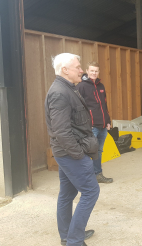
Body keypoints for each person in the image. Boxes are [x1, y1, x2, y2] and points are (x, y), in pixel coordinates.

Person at [45, 53, 100, 246]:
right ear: (65, 70)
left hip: (66, 153)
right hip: (70, 154)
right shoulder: (60, 92)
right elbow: (61, 131)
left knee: (67, 195)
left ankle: (67, 235)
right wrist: (79, 155)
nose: (81, 70)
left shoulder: (68, 88)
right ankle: (74, 241)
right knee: (91, 191)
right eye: (77, 67)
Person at [76, 62, 113, 183]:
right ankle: (85, 178)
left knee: (98, 151)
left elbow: (104, 105)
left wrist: (108, 121)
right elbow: (77, 107)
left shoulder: (101, 86)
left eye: (96, 71)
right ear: (87, 71)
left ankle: (97, 174)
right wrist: (85, 123)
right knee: (88, 151)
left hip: (102, 125)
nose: (94, 73)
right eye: (92, 71)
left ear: (99, 72)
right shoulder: (81, 86)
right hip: (91, 126)